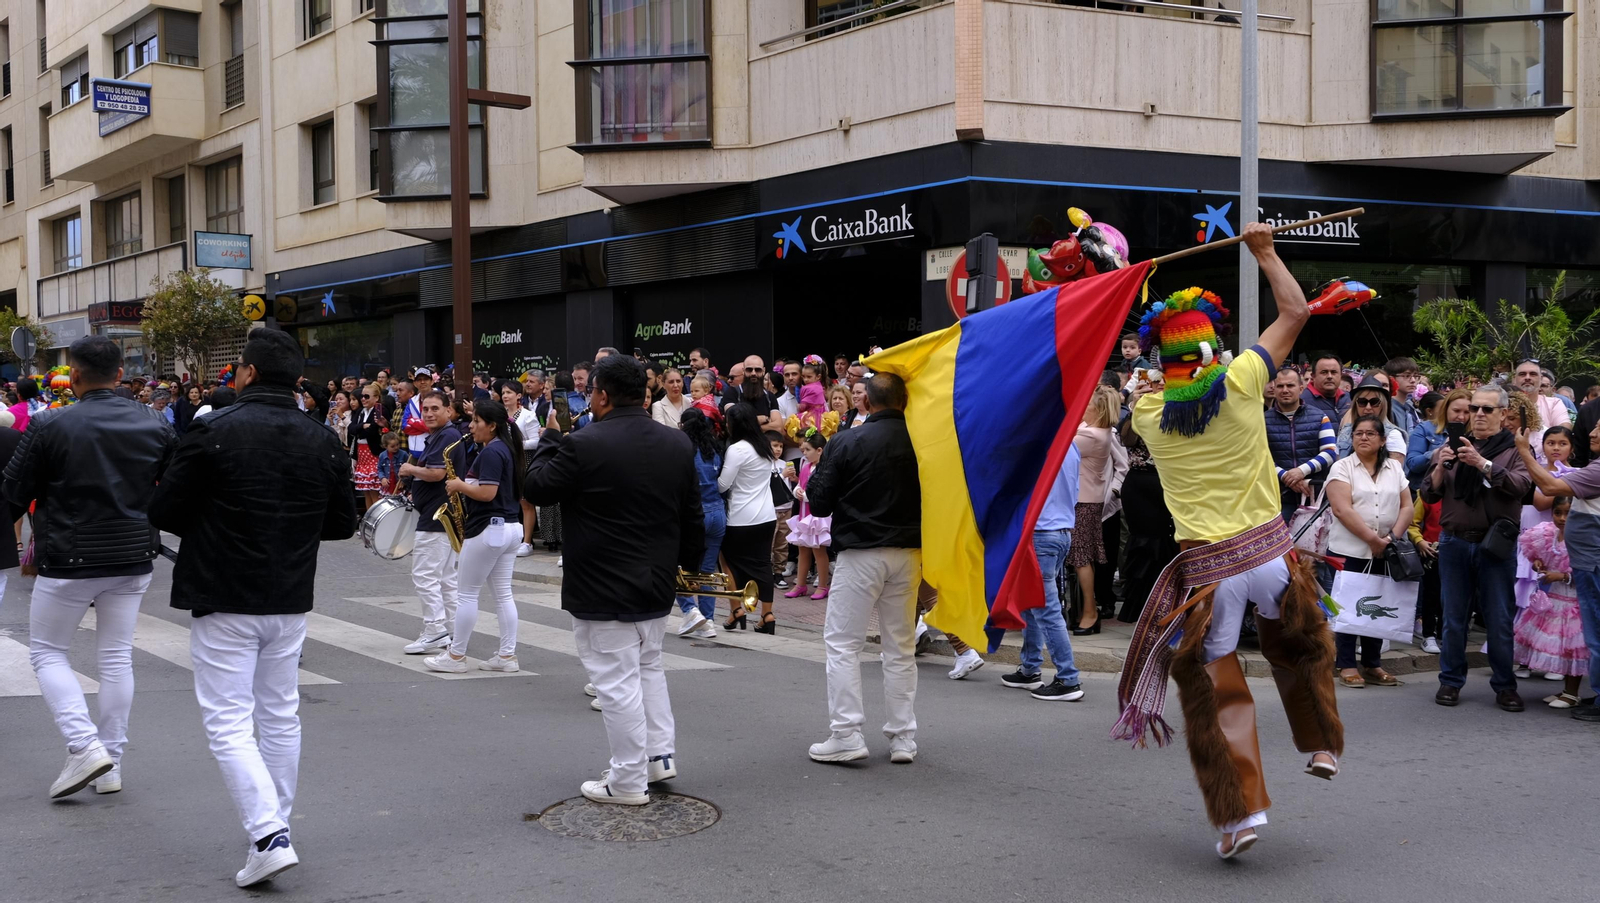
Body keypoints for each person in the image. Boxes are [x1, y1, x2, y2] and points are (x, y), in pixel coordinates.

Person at [1119, 224, 1341, 859]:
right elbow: (1297, 311)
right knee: (1303, 646)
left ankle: (1239, 818)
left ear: (1163, 366)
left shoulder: (1150, 417)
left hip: (1210, 573)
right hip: (1269, 557)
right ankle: (1323, 742)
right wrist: (1265, 253)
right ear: (1217, 352)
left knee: (1216, 692)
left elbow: (1154, 382)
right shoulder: (1244, 380)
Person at [149, 330, 355, 887]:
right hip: (289, 594)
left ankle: (269, 834)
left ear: (249, 374)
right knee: (279, 714)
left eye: (238, 367)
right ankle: (274, 828)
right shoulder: (321, 438)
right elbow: (342, 523)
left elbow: (165, 508)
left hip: (223, 592)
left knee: (229, 722)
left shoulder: (212, 430)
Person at [525, 355, 705, 804]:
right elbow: (692, 516)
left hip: (602, 585)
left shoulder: (583, 442)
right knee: (649, 669)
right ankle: (658, 758)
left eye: (592, 392)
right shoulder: (677, 443)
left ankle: (627, 780)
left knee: (616, 683)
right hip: (655, 579)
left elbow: (536, 488)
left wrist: (551, 434)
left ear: (602, 394)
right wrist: (685, 570)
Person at [3, 336, 176, 801]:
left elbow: (13, 492)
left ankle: (84, 746)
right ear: (121, 374)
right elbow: (177, 487)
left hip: (68, 558)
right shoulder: (155, 420)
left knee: (47, 653)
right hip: (132, 555)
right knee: (116, 656)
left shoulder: (48, 424)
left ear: (73, 376)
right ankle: (110, 762)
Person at [805, 372, 923, 764]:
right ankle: (903, 736)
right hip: (908, 551)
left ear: (865, 403)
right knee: (900, 648)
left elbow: (819, 504)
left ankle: (847, 732)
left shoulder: (847, 440)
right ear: (903, 402)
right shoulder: (924, 441)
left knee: (842, 643)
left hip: (860, 552)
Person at [1423, 384, 1532, 711]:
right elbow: (1428, 494)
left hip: (1494, 545)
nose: (1479, 415)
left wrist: (1482, 463)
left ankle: (1504, 686)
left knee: (1499, 619)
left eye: (1487, 409)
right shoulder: (1451, 446)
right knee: (1453, 618)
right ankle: (1450, 681)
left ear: (1502, 413)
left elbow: (1521, 486)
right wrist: (1442, 465)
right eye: (1474, 409)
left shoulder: (1515, 447)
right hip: (1455, 541)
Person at [423, 398, 524, 674]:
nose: (471, 426)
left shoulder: (492, 452)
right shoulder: (507, 448)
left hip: (489, 528)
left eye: (477, 421)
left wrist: (458, 485)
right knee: (503, 595)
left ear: (491, 426)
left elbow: (487, 493)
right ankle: (506, 656)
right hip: (511, 527)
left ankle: (456, 657)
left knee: (466, 594)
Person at [1511, 425, 1600, 723]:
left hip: (1592, 565)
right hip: (1589, 563)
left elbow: (1549, 488)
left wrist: (1524, 450)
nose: (1593, 432)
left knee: (1595, 635)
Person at [1325, 414, 1413, 688]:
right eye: (1358, 433)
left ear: (1383, 440)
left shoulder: (1394, 469)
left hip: (1386, 549)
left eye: (1370, 434)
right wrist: (1372, 540)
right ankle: (1347, 664)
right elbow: (1341, 509)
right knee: (1348, 607)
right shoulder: (1342, 467)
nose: (1363, 437)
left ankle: (1373, 663)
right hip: (1348, 550)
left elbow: (1407, 506)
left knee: (1378, 604)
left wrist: (1391, 538)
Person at [998, 445, 1087, 701]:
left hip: (1041, 533)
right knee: (1032, 601)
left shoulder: (1039, 443)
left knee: (1045, 608)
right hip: (1059, 532)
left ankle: (1067, 678)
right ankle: (1029, 669)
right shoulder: (1069, 443)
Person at [398, 390, 464, 655]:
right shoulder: (442, 435)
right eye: (425, 409)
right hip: (441, 513)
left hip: (436, 516)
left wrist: (410, 470)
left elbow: (436, 473)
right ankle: (456, 629)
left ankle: (435, 630)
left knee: (425, 576)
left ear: (448, 410)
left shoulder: (447, 435)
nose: (429, 413)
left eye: (435, 408)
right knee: (446, 578)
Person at [1512, 497, 1588, 708]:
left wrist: (1563, 576)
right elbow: (1539, 556)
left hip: (1574, 602)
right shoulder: (1547, 534)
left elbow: (1587, 572)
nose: (1562, 518)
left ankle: (1572, 693)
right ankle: (1565, 690)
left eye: (1568, 513)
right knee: (1559, 647)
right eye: (1558, 513)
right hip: (1552, 600)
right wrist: (1538, 563)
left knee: (1572, 649)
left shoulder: (1583, 538)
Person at [1070, 386, 1128, 633]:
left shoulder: (1091, 435)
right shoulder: (1096, 431)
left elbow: (1058, 445)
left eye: (1087, 403)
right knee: (1083, 559)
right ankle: (1086, 610)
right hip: (1087, 501)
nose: (1082, 406)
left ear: (1098, 409)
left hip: (1084, 502)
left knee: (1082, 559)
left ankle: (1090, 612)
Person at [717, 405, 779, 632]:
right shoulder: (764, 445)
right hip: (766, 515)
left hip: (741, 517)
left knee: (727, 562)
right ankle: (767, 615)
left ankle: (736, 610)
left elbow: (723, 484)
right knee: (763, 564)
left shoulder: (737, 449)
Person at [674, 408, 724, 640]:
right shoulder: (713, 449)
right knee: (708, 571)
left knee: (676, 566)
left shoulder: (684, 450)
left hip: (694, 514)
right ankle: (709, 621)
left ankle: (690, 610)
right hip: (717, 512)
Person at [1265, 366, 1337, 522]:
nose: (1285, 390)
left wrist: (1301, 471)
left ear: (1301, 388)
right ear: (1274, 389)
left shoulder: (1319, 416)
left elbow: (1330, 452)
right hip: (1278, 499)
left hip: (1314, 498)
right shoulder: (1262, 421)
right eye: (1280, 386)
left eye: (1290, 385)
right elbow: (1259, 456)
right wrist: (1285, 476)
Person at [785, 429, 833, 601]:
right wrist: (798, 490)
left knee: (819, 552)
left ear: (819, 450)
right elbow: (801, 484)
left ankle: (822, 586)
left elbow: (825, 491)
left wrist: (807, 495)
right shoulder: (806, 466)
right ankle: (800, 584)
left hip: (818, 516)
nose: (803, 453)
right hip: (804, 515)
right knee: (802, 550)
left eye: (807, 450)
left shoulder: (826, 468)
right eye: (803, 449)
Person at [497, 379, 542, 557]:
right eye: (503, 393)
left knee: (525, 503)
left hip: (523, 461)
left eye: (509, 392)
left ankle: (527, 541)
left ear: (518, 396)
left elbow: (537, 441)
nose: (505, 396)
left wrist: (516, 444)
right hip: (505, 461)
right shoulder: (500, 416)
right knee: (507, 500)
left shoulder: (527, 415)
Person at [1335, 376, 1408, 460]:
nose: (1368, 407)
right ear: (1356, 405)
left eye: (1374, 402)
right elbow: (1338, 465)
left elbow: (1395, 470)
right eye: (1362, 402)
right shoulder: (1346, 431)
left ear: (1382, 405)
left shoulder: (1393, 434)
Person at [350, 383, 388, 510]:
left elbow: (371, 431)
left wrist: (362, 428)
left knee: (375, 491)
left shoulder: (380, 410)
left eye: (367, 396)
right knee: (366, 490)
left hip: (374, 453)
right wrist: (362, 426)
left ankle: (377, 520)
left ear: (376, 398)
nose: (363, 399)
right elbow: (351, 428)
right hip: (361, 454)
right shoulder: (361, 411)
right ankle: (368, 519)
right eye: (362, 396)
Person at [1513, 358, 1570, 436]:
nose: (1527, 377)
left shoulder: (1554, 404)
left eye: (1533, 374)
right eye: (1522, 374)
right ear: (1514, 380)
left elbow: (1564, 431)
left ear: (1541, 379)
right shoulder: (1504, 404)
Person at [1301, 352, 1350, 423]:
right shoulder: (1302, 402)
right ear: (1313, 376)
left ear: (1341, 375)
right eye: (1324, 372)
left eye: (1333, 372)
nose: (1329, 376)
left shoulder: (1347, 398)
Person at [1382, 357, 1424, 436]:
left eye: (1415, 376)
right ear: (1392, 379)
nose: (1413, 380)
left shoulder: (1409, 406)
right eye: (1407, 376)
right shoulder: (1388, 408)